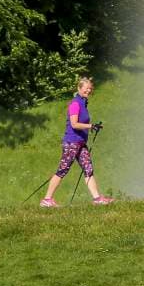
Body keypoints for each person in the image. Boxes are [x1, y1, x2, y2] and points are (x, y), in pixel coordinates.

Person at [40, 76, 111, 207]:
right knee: (63, 169)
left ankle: (97, 199)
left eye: (90, 89)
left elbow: (82, 123)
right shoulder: (75, 104)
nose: (89, 91)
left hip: (80, 143)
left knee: (88, 168)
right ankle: (47, 199)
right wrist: (90, 126)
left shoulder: (83, 103)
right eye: (86, 88)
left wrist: (93, 126)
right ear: (79, 88)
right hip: (72, 143)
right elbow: (74, 124)